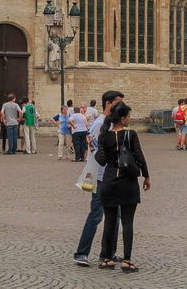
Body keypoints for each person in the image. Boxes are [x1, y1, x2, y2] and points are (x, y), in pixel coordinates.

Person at [71, 88, 125, 266]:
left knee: (115, 216)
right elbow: (94, 147)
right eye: (118, 103)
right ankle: (81, 253)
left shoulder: (115, 123)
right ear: (109, 104)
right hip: (101, 176)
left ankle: (107, 253)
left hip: (114, 176)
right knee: (96, 215)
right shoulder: (101, 123)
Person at [95, 101, 150, 272]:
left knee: (109, 222)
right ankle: (126, 260)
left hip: (109, 180)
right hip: (127, 182)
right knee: (127, 222)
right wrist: (147, 176)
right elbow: (140, 157)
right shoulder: (131, 134)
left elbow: (102, 160)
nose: (130, 119)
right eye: (129, 116)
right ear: (123, 118)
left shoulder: (104, 135)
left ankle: (108, 259)